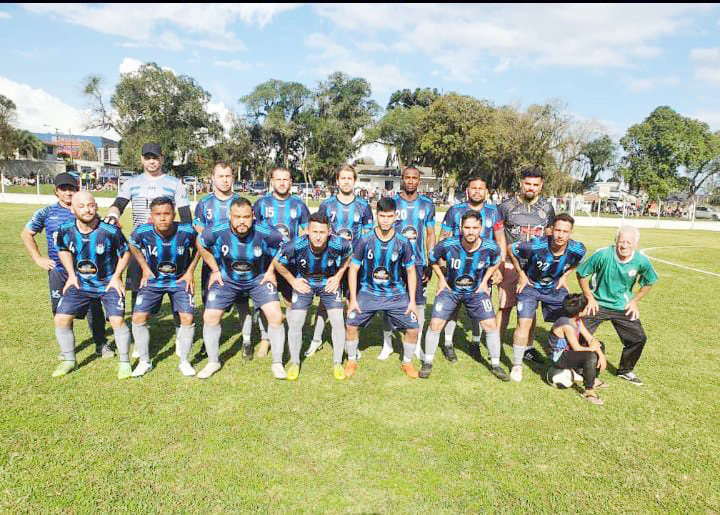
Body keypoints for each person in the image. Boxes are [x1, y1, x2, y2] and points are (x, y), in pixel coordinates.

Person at [21, 173, 110, 358]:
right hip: (59, 271)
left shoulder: (85, 211)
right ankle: (66, 349)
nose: (68, 192)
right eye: (63, 188)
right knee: (60, 309)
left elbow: (104, 232)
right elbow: (26, 234)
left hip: (86, 270)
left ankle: (101, 344)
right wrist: (38, 258)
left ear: (77, 189)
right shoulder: (46, 213)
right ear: (56, 191)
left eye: (71, 188)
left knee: (94, 309)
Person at [196, 197, 287, 379]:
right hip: (228, 280)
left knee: (276, 316)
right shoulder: (218, 229)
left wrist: (270, 270)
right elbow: (200, 242)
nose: (242, 221)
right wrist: (214, 269)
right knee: (210, 316)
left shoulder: (264, 231)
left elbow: (283, 246)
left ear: (253, 216)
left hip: (258, 279)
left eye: (246, 217)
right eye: (237, 217)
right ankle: (213, 361)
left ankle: (278, 363)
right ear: (230, 216)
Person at [52, 191, 132, 379]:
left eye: (91, 205)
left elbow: (126, 253)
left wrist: (116, 277)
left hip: (107, 284)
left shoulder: (110, 231)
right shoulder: (65, 229)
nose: (87, 210)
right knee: (61, 319)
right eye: (81, 206)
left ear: (96, 206)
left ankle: (125, 363)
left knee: (117, 321)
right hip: (81, 283)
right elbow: (63, 249)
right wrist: (71, 275)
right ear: (72, 209)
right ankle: (69, 361)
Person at [104, 142, 191, 312]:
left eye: (155, 158)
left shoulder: (175, 183)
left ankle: (181, 328)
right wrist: (112, 216)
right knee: (138, 289)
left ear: (162, 159)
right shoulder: (131, 183)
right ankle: (139, 325)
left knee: (176, 289)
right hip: (140, 245)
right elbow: (118, 205)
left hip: (167, 244)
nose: (152, 161)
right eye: (148, 157)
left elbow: (186, 216)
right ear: (142, 159)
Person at [422, 211, 506, 380]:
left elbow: (497, 259)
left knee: (490, 325)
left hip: (476, 292)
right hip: (451, 290)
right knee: (435, 323)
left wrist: (485, 281)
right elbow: (432, 257)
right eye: (467, 227)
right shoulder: (448, 244)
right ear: (461, 227)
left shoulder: (490, 246)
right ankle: (427, 362)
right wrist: (441, 278)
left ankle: (496, 365)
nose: (470, 231)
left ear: (481, 228)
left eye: (475, 227)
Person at [344, 197, 420, 379]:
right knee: (351, 323)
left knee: (414, 329)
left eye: (389, 216)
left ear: (395, 217)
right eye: (382, 215)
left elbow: (411, 272)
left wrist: (412, 302)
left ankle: (407, 362)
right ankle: (352, 359)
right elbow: (353, 269)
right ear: (376, 215)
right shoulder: (365, 239)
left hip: (396, 294)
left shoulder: (403, 242)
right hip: (368, 292)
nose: (385, 220)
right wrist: (353, 299)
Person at [274, 212, 353, 380]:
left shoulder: (339, 244)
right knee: (295, 322)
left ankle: (337, 363)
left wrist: (338, 276)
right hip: (305, 283)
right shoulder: (296, 245)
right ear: (307, 231)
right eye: (314, 232)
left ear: (329, 232)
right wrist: (293, 281)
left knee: (339, 321)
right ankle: (295, 362)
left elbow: (349, 256)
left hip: (328, 283)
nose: (318, 236)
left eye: (322, 232)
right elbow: (277, 262)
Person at [576, 225, 658, 385]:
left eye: (629, 242)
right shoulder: (603, 254)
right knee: (578, 333)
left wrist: (634, 301)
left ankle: (625, 370)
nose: (624, 245)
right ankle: (578, 368)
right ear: (616, 241)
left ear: (635, 244)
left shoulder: (641, 261)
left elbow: (650, 281)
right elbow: (582, 273)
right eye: (621, 241)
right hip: (597, 303)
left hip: (622, 306)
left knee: (638, 338)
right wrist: (589, 298)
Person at [508, 214, 586, 381]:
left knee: (569, 321)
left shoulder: (577, 248)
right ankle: (517, 365)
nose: (560, 235)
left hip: (554, 289)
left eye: (565, 231)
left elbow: (578, 260)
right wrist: (521, 274)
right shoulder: (536, 245)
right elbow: (511, 249)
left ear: (571, 232)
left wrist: (565, 276)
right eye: (557, 230)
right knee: (524, 323)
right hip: (530, 287)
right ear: (551, 230)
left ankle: (569, 363)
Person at [128, 197, 200, 377]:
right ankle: (145, 361)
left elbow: (201, 246)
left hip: (180, 280)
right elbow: (132, 245)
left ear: (173, 214)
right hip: (153, 281)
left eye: (166, 214)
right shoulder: (142, 231)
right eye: (157, 214)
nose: (162, 218)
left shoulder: (186, 230)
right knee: (138, 317)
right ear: (151, 216)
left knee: (187, 318)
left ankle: (184, 361)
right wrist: (144, 268)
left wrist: (190, 271)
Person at [437, 176, 506, 361]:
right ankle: (448, 343)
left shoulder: (494, 211)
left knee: (480, 309)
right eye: (473, 188)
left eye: (480, 188)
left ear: (486, 191)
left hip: (482, 270)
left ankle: (475, 342)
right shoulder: (455, 210)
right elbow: (443, 238)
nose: (477, 191)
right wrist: (443, 267)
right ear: (467, 190)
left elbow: (500, 240)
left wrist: (499, 267)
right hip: (456, 268)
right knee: (453, 307)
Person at [308, 164, 373, 357]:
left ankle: (351, 342)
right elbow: (318, 233)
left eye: (349, 178)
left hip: (354, 264)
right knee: (324, 303)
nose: (346, 181)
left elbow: (368, 237)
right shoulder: (327, 205)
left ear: (354, 181)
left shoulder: (363, 205)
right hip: (331, 263)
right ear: (337, 181)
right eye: (342, 178)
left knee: (351, 300)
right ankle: (316, 340)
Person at [193, 161, 251, 360]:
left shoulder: (241, 201)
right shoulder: (204, 203)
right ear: (213, 178)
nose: (225, 180)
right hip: (213, 264)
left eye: (228, 176)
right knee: (210, 304)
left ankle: (247, 341)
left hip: (239, 263)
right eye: (221, 176)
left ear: (232, 178)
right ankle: (209, 344)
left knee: (242, 304)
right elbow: (200, 232)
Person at [377, 166, 436, 361]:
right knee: (388, 302)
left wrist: (430, 261)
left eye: (414, 178)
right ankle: (387, 344)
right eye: (407, 177)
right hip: (393, 263)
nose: (410, 181)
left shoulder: (427, 204)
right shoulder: (392, 202)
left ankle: (416, 344)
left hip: (417, 263)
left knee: (418, 304)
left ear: (420, 180)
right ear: (402, 179)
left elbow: (430, 234)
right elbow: (383, 230)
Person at [498, 167, 556, 364]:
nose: (531, 187)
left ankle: (528, 348)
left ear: (541, 187)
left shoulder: (547, 208)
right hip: (509, 264)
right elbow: (497, 237)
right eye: (528, 183)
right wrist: (498, 265)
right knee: (505, 307)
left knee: (529, 310)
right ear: (521, 183)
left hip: (535, 268)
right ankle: (495, 344)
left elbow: (550, 236)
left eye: (535, 184)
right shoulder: (506, 206)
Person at [252, 167, 310, 357]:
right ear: (272, 181)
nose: (282, 183)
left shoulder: (299, 205)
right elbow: (254, 233)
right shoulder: (261, 204)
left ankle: (292, 337)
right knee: (264, 302)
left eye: (286, 179)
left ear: (291, 182)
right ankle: (265, 339)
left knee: (290, 302)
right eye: (279, 179)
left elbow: (307, 233)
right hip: (265, 262)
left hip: (290, 264)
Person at [545, 294, 608, 405]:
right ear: (579, 312)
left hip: (570, 351)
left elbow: (590, 338)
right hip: (559, 356)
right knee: (590, 355)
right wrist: (592, 349)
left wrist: (601, 355)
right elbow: (577, 348)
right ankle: (588, 391)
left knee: (599, 346)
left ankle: (593, 379)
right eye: (586, 307)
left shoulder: (577, 320)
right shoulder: (566, 325)